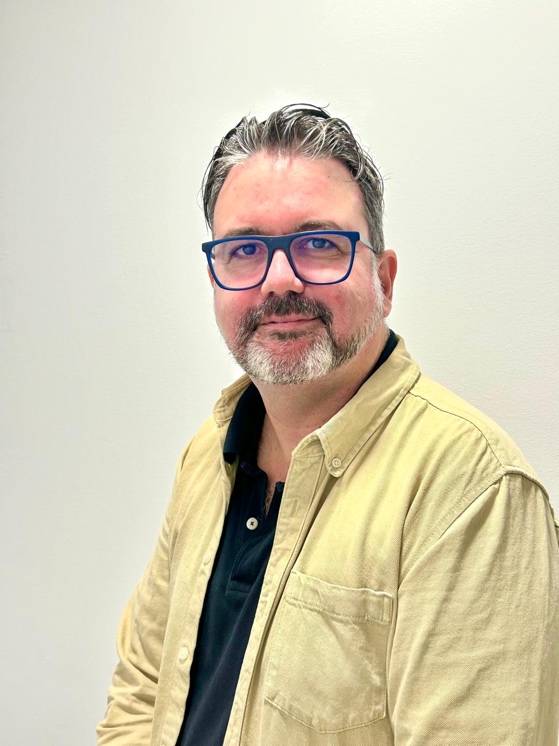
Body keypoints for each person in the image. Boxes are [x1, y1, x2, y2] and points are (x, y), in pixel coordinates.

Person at [97, 104, 559, 746]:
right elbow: (142, 690)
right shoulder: (209, 453)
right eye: (244, 250)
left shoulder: (472, 492)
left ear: (384, 278)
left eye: (319, 244)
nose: (279, 280)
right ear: (215, 277)